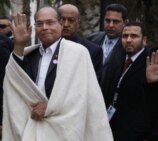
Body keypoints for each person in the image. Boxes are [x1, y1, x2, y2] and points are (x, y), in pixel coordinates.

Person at [2, 6, 113, 141]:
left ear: (60, 24)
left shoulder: (78, 53)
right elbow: (15, 82)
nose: (45, 27)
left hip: (63, 129)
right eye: (40, 24)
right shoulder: (30, 55)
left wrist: (50, 107)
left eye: (50, 22)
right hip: (33, 125)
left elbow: (81, 96)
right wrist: (19, 44)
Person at [102, 21, 151, 141]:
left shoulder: (151, 63)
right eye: (125, 36)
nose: (128, 40)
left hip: (137, 134)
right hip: (111, 129)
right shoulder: (117, 59)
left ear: (144, 40)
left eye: (134, 36)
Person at [87, 3, 128, 86]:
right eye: (107, 20)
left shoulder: (128, 45)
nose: (110, 25)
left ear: (125, 23)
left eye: (116, 22)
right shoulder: (92, 39)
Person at [58, 4, 103, 74]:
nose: (66, 24)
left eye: (71, 20)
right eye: (62, 19)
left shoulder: (92, 50)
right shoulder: (49, 46)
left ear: (78, 23)